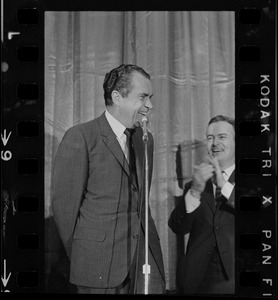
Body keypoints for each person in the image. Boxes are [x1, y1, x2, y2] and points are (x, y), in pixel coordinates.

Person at [52, 64, 165, 294]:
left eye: (150, 98)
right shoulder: (81, 137)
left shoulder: (146, 140)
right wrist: (87, 254)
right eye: (143, 97)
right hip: (98, 267)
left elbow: (140, 202)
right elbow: (65, 209)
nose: (150, 105)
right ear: (117, 97)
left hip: (142, 261)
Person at [168, 115, 235, 294]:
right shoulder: (195, 185)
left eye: (222, 137)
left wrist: (223, 185)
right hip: (199, 282)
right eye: (210, 138)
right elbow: (178, 227)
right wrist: (195, 191)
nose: (214, 143)